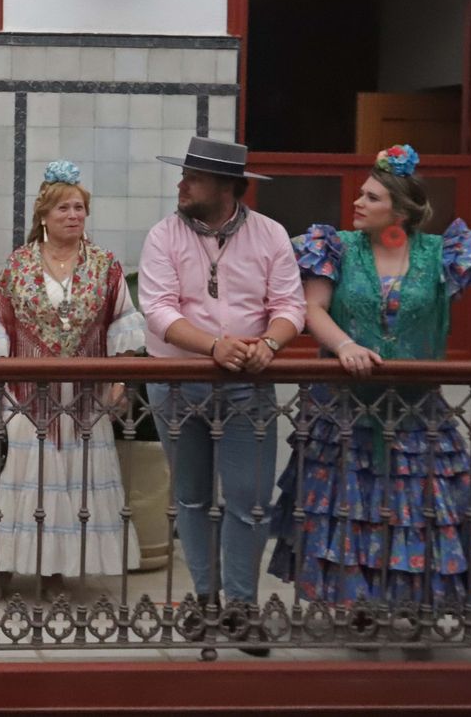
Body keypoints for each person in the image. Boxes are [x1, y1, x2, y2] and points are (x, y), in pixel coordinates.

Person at [268, 144, 471, 612]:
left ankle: (412, 607)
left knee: (418, 510)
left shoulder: (441, 254)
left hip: (417, 416)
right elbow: (313, 308)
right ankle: (358, 609)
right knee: (348, 510)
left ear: (401, 212)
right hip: (343, 415)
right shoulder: (337, 247)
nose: (358, 202)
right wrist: (345, 346)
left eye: (372, 197)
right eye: (361, 194)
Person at [139, 136, 304, 652]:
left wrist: (269, 344)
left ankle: (242, 607)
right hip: (176, 381)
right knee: (190, 496)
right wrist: (215, 346)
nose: (181, 184)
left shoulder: (270, 234)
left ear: (228, 186)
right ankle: (206, 599)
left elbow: (290, 306)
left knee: (249, 500)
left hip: (247, 385)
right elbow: (158, 311)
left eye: (194, 178)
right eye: (184, 174)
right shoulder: (163, 235)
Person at [0, 161, 144, 601]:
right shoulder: (19, 264)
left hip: (82, 400)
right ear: (44, 215)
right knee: (12, 482)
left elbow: (123, 322)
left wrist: (121, 376)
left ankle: (55, 573)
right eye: (63, 208)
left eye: (79, 207)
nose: (73, 215)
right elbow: (0, 325)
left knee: (70, 485)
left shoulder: (105, 265)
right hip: (24, 395)